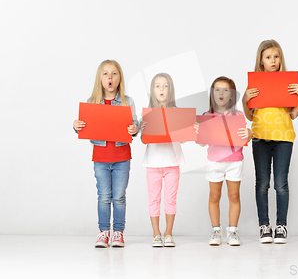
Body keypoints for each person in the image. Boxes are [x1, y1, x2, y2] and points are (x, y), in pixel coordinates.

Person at [243, 39, 298, 244]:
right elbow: (250, 116)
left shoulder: (287, 85)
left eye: (276, 57)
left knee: (280, 184)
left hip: (284, 138)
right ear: (261, 61)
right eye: (268, 57)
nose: (273, 61)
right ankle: (264, 225)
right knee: (262, 183)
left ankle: (281, 225)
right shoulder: (255, 86)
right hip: (260, 137)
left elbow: (294, 114)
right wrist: (245, 100)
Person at [73, 60, 138, 248]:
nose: (110, 77)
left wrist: (134, 129)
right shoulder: (92, 103)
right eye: (105, 73)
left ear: (119, 78)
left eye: (114, 73)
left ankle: (118, 233)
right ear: (100, 79)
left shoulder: (128, 101)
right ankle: (104, 233)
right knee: (103, 196)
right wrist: (76, 127)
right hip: (101, 158)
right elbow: (84, 127)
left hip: (122, 157)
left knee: (119, 197)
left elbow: (134, 127)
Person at [196, 76, 252, 246]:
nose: (221, 93)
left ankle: (233, 231)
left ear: (231, 95)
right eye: (217, 90)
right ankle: (216, 230)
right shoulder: (207, 116)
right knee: (214, 196)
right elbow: (201, 142)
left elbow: (245, 135)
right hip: (215, 162)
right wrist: (198, 132)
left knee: (234, 196)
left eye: (225, 90)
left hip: (235, 162)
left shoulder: (238, 115)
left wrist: (249, 133)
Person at [140, 73, 185, 247]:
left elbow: (182, 139)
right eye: (157, 86)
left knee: (170, 199)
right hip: (152, 163)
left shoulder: (176, 112)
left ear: (170, 90)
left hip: (172, 162)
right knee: (154, 199)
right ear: (152, 90)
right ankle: (156, 233)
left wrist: (189, 129)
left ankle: (168, 233)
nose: (161, 89)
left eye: (165, 86)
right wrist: (142, 129)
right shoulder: (148, 113)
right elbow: (144, 140)